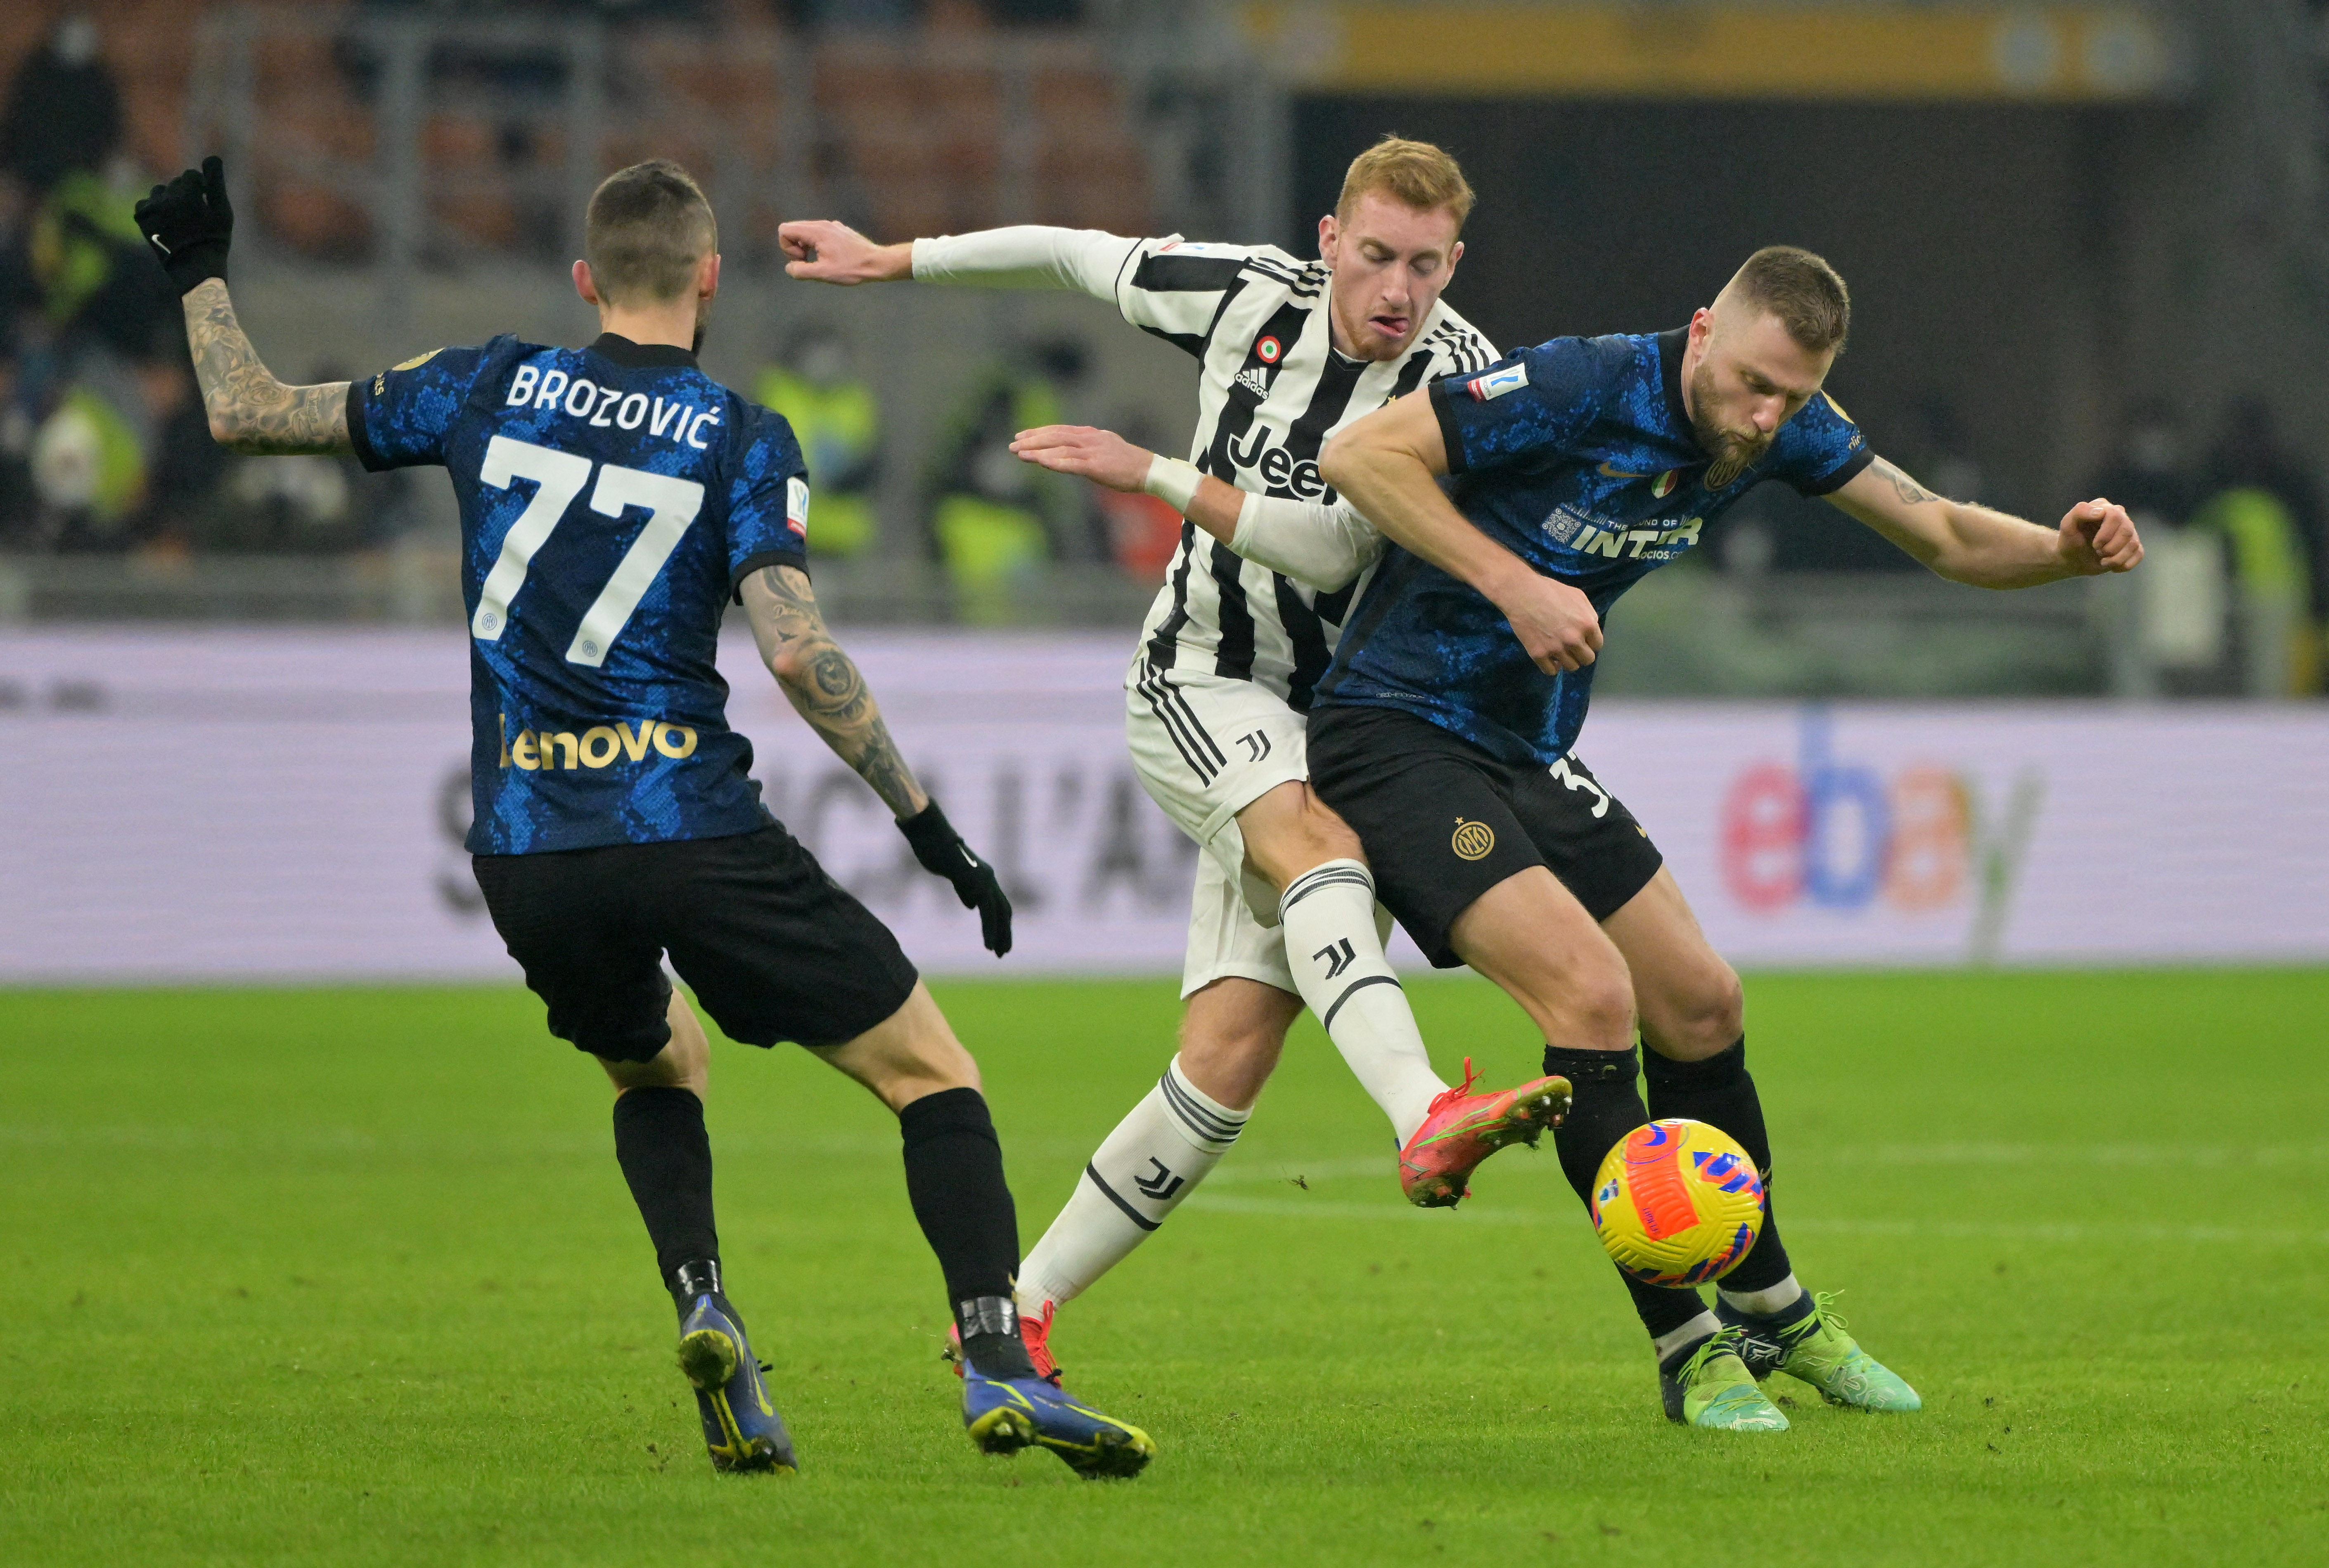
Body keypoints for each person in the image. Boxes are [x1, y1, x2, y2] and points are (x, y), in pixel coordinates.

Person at [133, 154, 1153, 1479]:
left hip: (527, 848)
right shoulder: (739, 431)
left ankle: (704, 1304)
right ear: (711, 278)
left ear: (583, 281)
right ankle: (996, 1360)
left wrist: (200, 271)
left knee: (657, 1062)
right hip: (689, 826)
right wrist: (923, 823)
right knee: (932, 1075)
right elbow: (796, 652)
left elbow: (247, 411)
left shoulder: (483, 383)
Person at [1308, 245, 2144, 1431]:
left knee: (1700, 1003)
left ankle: (1774, 1313)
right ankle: (1688, 1349)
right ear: (1702, 329)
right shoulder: (1577, 385)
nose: (1764, 417)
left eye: (1792, 398)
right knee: (1591, 1001)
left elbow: (1948, 538)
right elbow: (1359, 455)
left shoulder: (1779, 425)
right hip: (1392, 732)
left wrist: (2063, 551)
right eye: (1752, 383)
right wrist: (1512, 584)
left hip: (1523, 748)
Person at [779, 135, 1569, 1384]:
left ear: (1451, 265)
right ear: (1328, 241)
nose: (1394, 291)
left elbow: (1328, 552)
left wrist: (1149, 472)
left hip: (1341, 717)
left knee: (1226, 1064)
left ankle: (1017, 1309)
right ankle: (1423, 1108)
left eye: (1422, 267)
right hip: (1199, 679)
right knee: (1320, 846)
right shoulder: (1248, 291)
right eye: (1373, 256)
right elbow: (1073, 254)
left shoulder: (1463, 380)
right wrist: (897, 261)